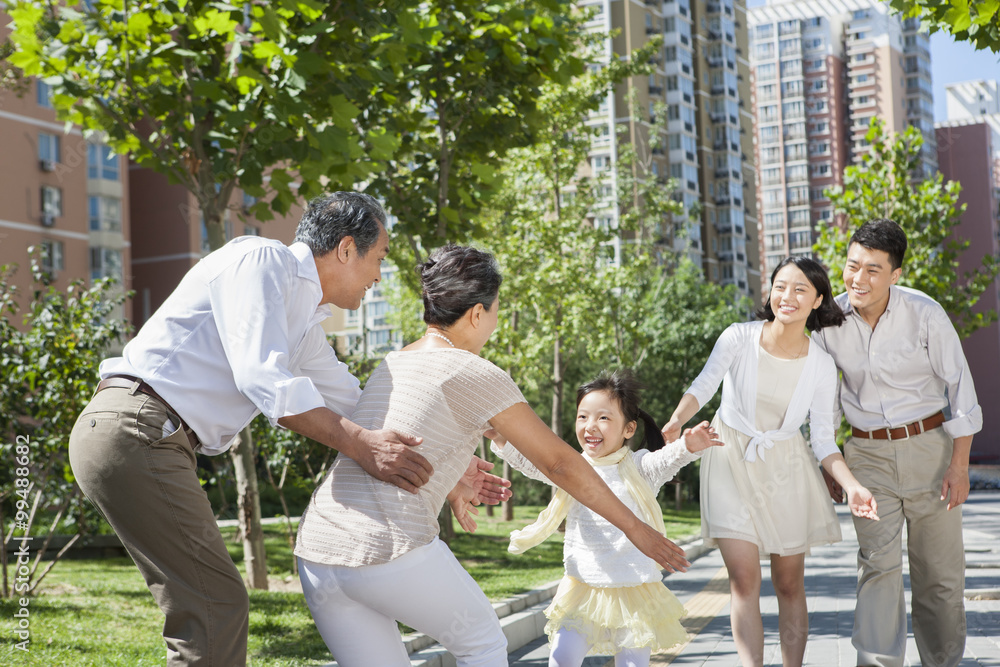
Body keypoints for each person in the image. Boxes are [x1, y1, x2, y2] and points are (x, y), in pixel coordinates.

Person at [69, 192, 509, 666]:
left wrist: (450, 468)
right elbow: (262, 378)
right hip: (136, 428)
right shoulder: (259, 260)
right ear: (345, 249)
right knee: (215, 606)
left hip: (151, 437)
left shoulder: (303, 328)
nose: (379, 276)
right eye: (378, 259)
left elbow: (360, 407)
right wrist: (360, 446)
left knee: (212, 605)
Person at [294, 244, 691, 667]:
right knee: (483, 644)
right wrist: (636, 529)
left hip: (317, 553)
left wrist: (450, 484)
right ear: (477, 313)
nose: (495, 324)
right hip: (387, 548)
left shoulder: (393, 361)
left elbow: (400, 445)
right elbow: (558, 463)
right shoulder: (474, 370)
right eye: (496, 311)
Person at [662, 256, 879, 667]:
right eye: (780, 286)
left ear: (817, 300)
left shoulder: (820, 364)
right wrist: (676, 422)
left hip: (785, 470)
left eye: (800, 289)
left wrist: (852, 487)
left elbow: (822, 440)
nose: (787, 296)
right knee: (743, 580)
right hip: (729, 458)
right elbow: (705, 382)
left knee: (788, 583)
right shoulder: (738, 337)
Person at [811, 219, 981, 667]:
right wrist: (833, 469)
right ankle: (878, 663)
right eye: (852, 266)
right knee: (878, 568)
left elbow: (960, 390)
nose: (858, 279)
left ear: (895, 274)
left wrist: (959, 464)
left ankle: (943, 662)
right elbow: (823, 403)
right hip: (867, 456)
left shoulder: (925, 313)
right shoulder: (828, 323)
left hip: (931, 450)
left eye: (872, 269)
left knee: (939, 576)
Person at [491, 369, 721, 667]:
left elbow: (667, 459)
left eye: (603, 417)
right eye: (582, 417)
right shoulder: (570, 467)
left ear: (628, 429)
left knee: (632, 663)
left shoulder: (640, 467)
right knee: (561, 659)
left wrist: (690, 445)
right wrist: (501, 439)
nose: (590, 426)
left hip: (632, 591)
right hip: (582, 586)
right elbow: (535, 463)